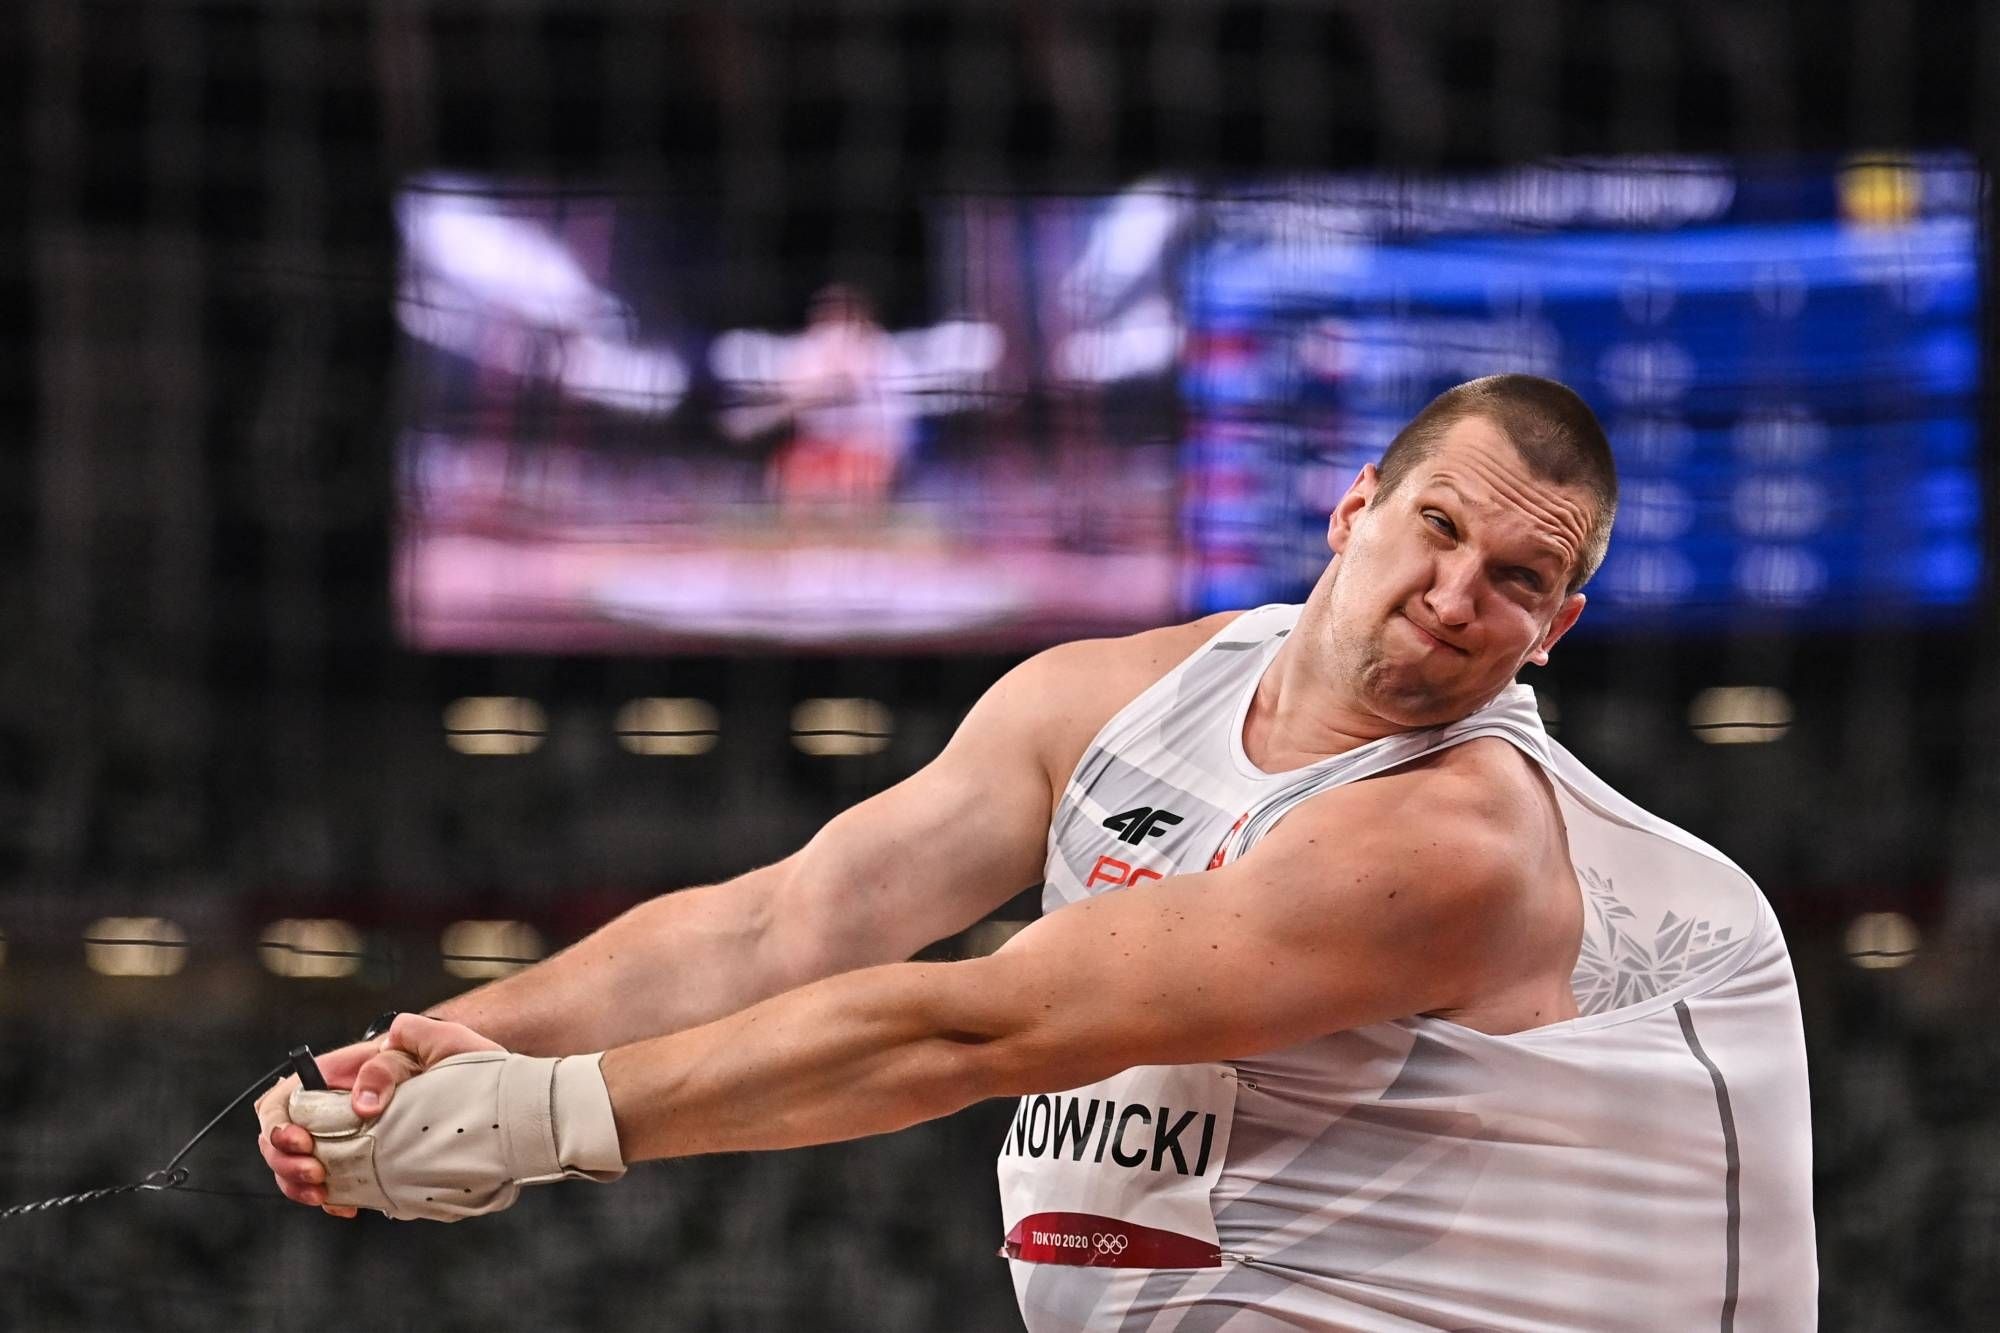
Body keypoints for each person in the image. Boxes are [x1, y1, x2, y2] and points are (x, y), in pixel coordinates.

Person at [257, 374, 1817, 1331]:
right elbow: (788, 920)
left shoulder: (1460, 839)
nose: (1461, 587)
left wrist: (528, 1121)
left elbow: (978, 1023)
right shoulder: (1107, 696)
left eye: (1521, 576)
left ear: (1557, 632)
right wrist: (452, 1045)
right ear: (1354, 508)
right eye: (1438, 528)